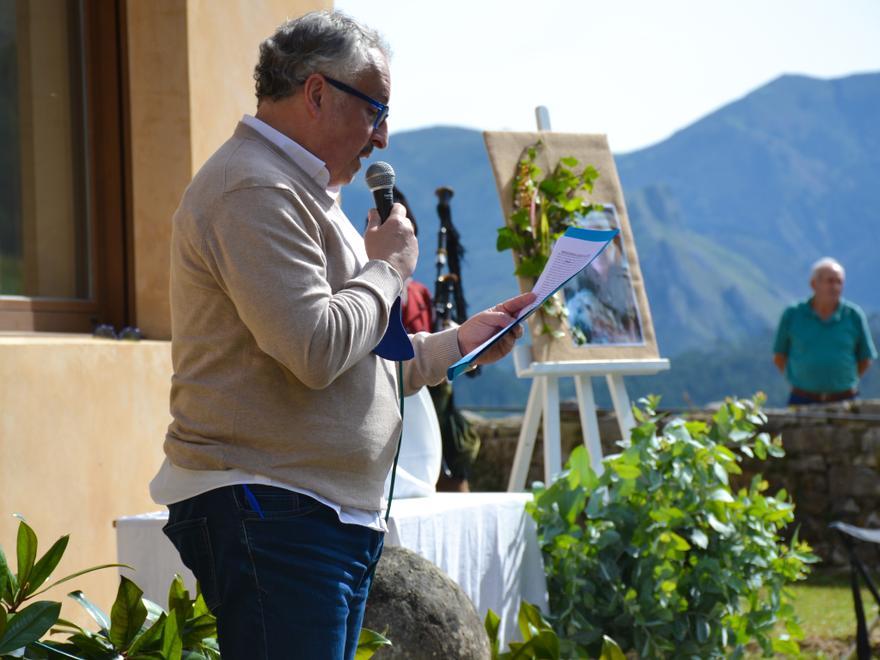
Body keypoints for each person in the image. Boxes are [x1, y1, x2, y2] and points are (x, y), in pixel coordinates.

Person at [148, 11, 534, 660]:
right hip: (271, 507)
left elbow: (368, 358)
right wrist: (387, 267)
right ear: (317, 92)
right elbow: (315, 350)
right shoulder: (253, 187)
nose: (382, 137)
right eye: (375, 110)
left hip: (311, 514)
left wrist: (460, 342)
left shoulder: (303, 192)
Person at [773, 257, 876, 405]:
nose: (835, 286)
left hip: (845, 398)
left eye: (839, 281)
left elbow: (865, 358)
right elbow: (779, 356)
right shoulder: (792, 314)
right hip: (801, 398)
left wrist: (844, 382)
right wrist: (798, 380)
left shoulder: (854, 315)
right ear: (814, 284)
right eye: (830, 281)